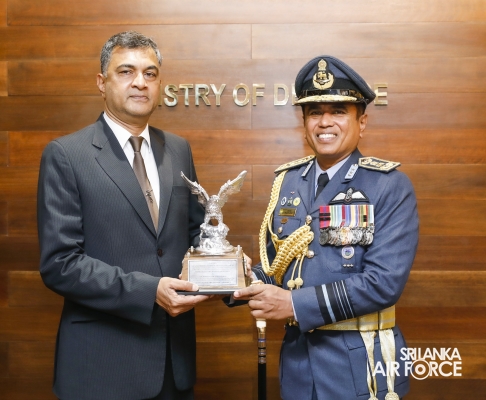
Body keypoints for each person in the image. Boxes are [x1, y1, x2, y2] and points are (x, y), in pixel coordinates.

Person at [37, 31, 210, 400]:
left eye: (150, 73)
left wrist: (227, 269)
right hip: (102, 367)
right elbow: (60, 264)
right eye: (126, 71)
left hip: (173, 366)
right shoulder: (67, 155)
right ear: (102, 82)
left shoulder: (178, 149)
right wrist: (149, 291)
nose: (140, 82)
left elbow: (196, 232)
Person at [234, 56, 419, 400]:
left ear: (362, 122)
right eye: (315, 112)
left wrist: (293, 305)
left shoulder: (388, 185)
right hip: (298, 366)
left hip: (361, 365)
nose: (324, 122)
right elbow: (278, 266)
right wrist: (238, 277)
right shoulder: (289, 182)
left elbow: (383, 283)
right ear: (304, 123)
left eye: (338, 111)